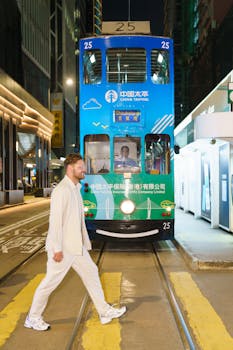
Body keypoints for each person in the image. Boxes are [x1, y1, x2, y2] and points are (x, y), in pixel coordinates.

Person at [24, 153, 126, 331]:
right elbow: (55, 222)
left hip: (75, 246)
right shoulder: (62, 190)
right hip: (63, 247)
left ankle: (104, 312)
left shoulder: (75, 188)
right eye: (80, 167)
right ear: (70, 168)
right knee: (49, 283)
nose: (84, 170)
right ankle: (33, 318)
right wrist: (56, 249)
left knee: (92, 272)